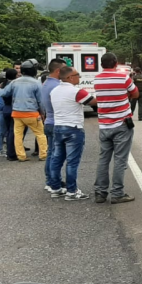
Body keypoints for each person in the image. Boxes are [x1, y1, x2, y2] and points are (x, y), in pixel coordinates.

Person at [93, 52, 140, 204]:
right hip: (121, 124)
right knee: (120, 160)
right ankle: (117, 193)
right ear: (115, 63)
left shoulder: (97, 79)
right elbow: (136, 93)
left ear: (101, 65)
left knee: (103, 159)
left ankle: (100, 193)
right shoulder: (123, 77)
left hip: (104, 125)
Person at [47, 66, 97, 200]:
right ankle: (72, 191)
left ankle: (55, 188)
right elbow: (93, 102)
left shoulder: (54, 91)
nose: (79, 77)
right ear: (69, 77)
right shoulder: (77, 92)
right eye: (77, 75)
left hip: (58, 127)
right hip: (73, 129)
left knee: (56, 160)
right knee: (72, 162)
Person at [0, 60, 48, 162]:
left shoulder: (14, 82)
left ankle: (21, 156)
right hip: (32, 114)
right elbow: (40, 101)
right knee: (40, 134)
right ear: (33, 71)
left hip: (16, 113)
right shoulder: (36, 83)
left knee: (18, 135)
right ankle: (43, 155)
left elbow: (3, 93)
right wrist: (43, 113)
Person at [41, 58, 66, 189]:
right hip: (56, 122)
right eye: (63, 69)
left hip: (49, 121)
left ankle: (50, 179)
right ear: (57, 71)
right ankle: (54, 182)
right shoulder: (56, 86)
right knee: (56, 155)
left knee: (51, 152)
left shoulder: (45, 83)